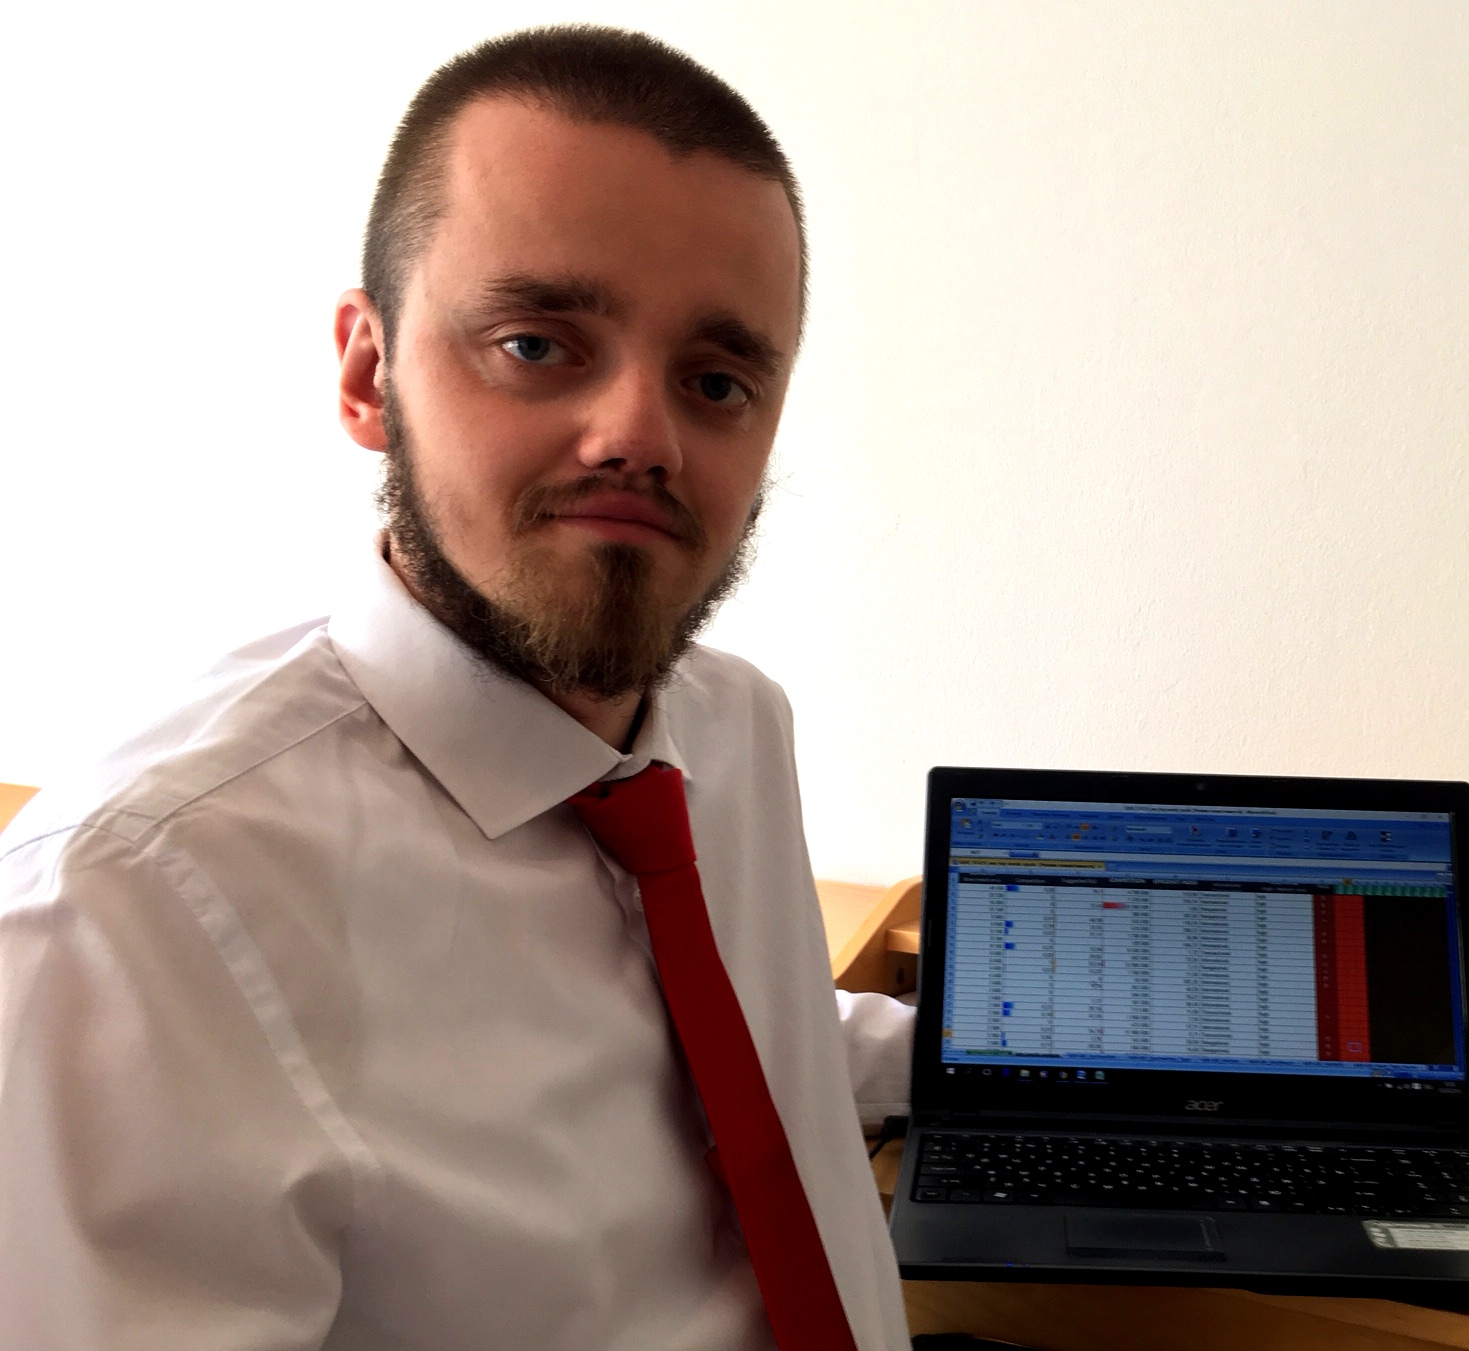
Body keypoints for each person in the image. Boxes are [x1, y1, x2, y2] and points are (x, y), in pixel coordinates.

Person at [0, 25, 915, 1351]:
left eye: (717, 381)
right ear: (368, 374)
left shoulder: (731, 727)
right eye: (536, 345)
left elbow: (723, 1024)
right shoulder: (123, 924)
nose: (640, 436)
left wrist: (1030, 1062)